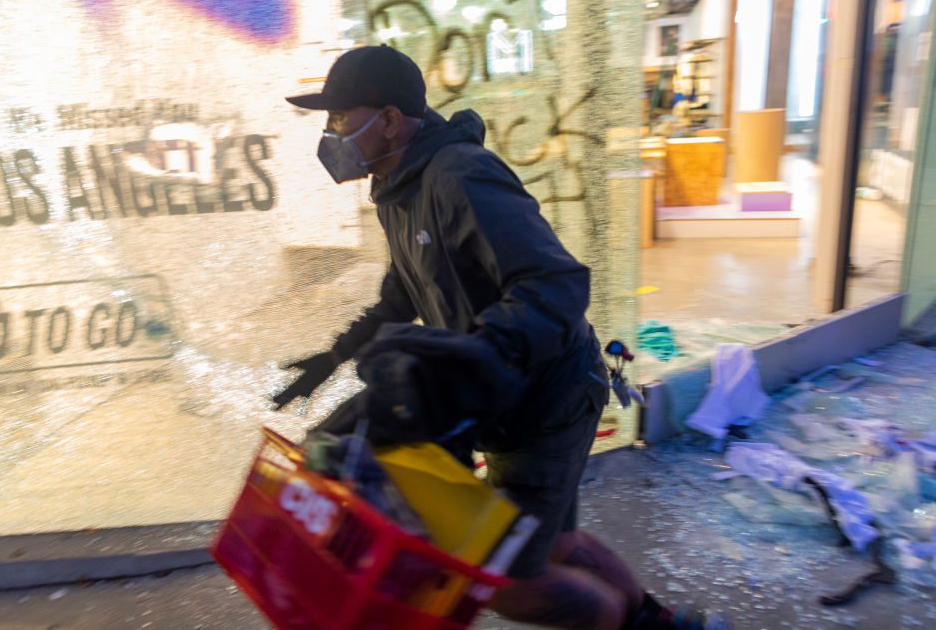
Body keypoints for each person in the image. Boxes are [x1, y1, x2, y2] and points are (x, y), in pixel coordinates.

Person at [275, 45, 724, 630]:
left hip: (548, 399)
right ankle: (662, 625)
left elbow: (556, 282)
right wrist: (333, 356)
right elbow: (403, 293)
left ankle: (616, 622)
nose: (331, 133)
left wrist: (484, 353)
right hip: (499, 397)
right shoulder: (397, 190)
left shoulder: (458, 175)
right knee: (551, 547)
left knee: (506, 574)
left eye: (340, 117)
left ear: (388, 119)